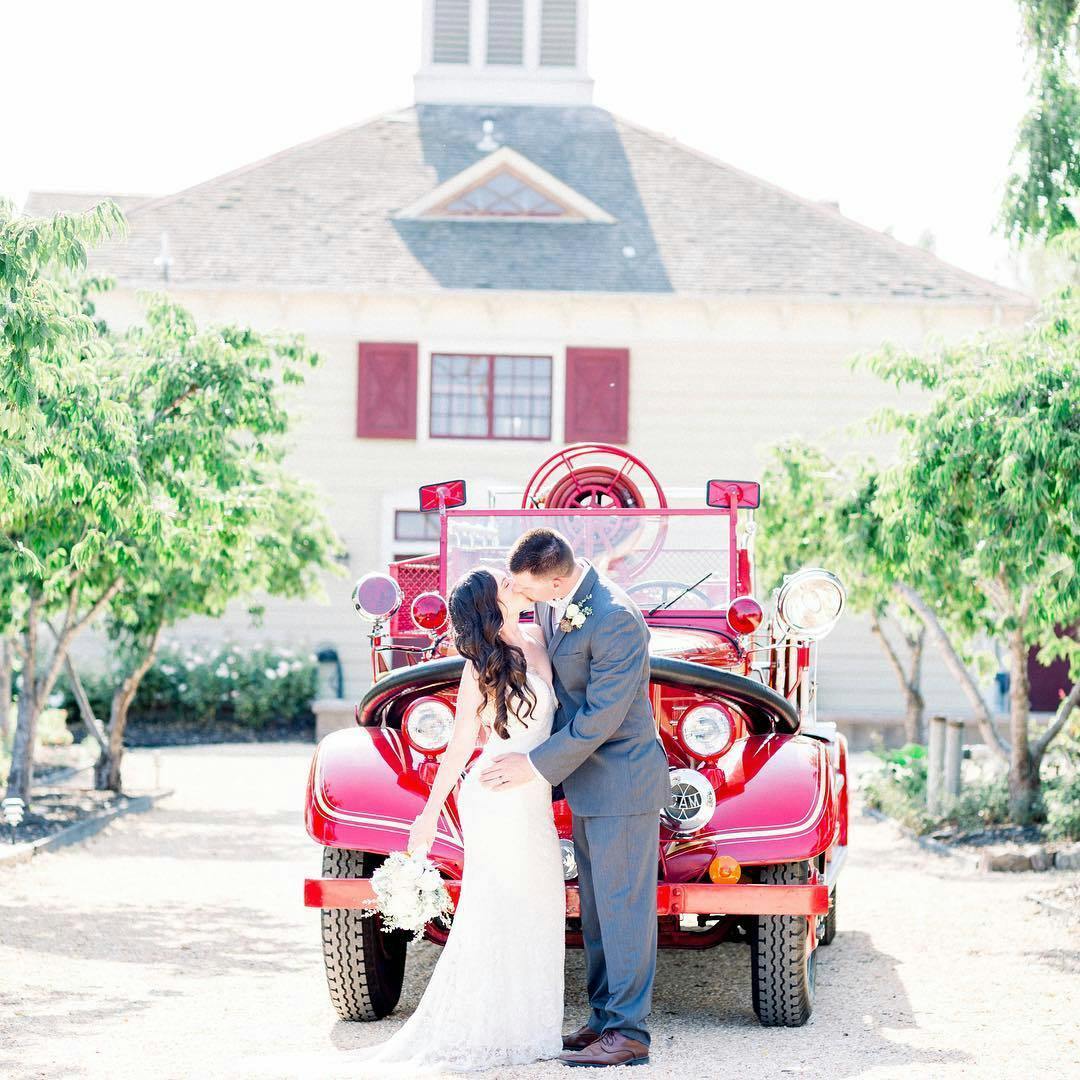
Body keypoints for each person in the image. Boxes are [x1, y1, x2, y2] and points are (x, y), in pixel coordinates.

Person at [349, 565, 565, 1075]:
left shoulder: (538, 635)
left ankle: (532, 1029)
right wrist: (428, 815)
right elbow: (463, 740)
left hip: (531, 793)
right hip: (494, 795)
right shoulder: (480, 665)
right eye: (504, 584)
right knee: (499, 908)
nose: (514, 585)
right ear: (493, 604)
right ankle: (494, 1031)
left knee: (542, 905)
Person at [482, 527, 671, 1069]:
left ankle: (630, 1033)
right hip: (589, 783)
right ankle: (603, 1019)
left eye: (529, 589)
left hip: (622, 781)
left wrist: (532, 765)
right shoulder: (557, 599)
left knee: (625, 910)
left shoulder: (616, 618)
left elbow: (600, 719)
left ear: (558, 579)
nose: (525, 596)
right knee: (596, 911)